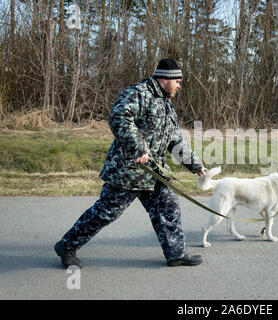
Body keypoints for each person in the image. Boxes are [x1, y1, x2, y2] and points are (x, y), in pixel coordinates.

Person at [55, 58, 207, 268]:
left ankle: (176, 253)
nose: (180, 85)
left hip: (154, 172)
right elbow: (119, 117)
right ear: (166, 78)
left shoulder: (166, 104)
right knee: (106, 213)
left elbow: (175, 139)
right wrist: (138, 148)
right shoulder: (139, 93)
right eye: (178, 81)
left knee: (168, 207)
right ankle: (67, 246)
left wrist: (195, 164)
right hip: (128, 171)